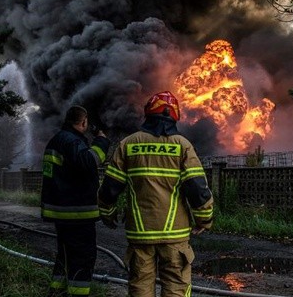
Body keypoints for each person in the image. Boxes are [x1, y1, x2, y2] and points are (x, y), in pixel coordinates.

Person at [98, 91, 214, 297]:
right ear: (174, 116)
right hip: (174, 235)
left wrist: (107, 212)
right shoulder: (182, 146)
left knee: (140, 287)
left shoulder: (128, 144)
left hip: (140, 233)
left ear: (148, 114)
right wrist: (204, 219)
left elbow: (110, 187)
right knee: (176, 287)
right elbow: (197, 188)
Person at [41, 105, 110, 297]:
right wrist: (102, 142)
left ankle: (57, 292)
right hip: (76, 213)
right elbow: (89, 162)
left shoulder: (56, 140)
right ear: (83, 122)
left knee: (65, 255)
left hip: (60, 211)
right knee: (82, 257)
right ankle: (77, 294)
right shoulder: (71, 142)